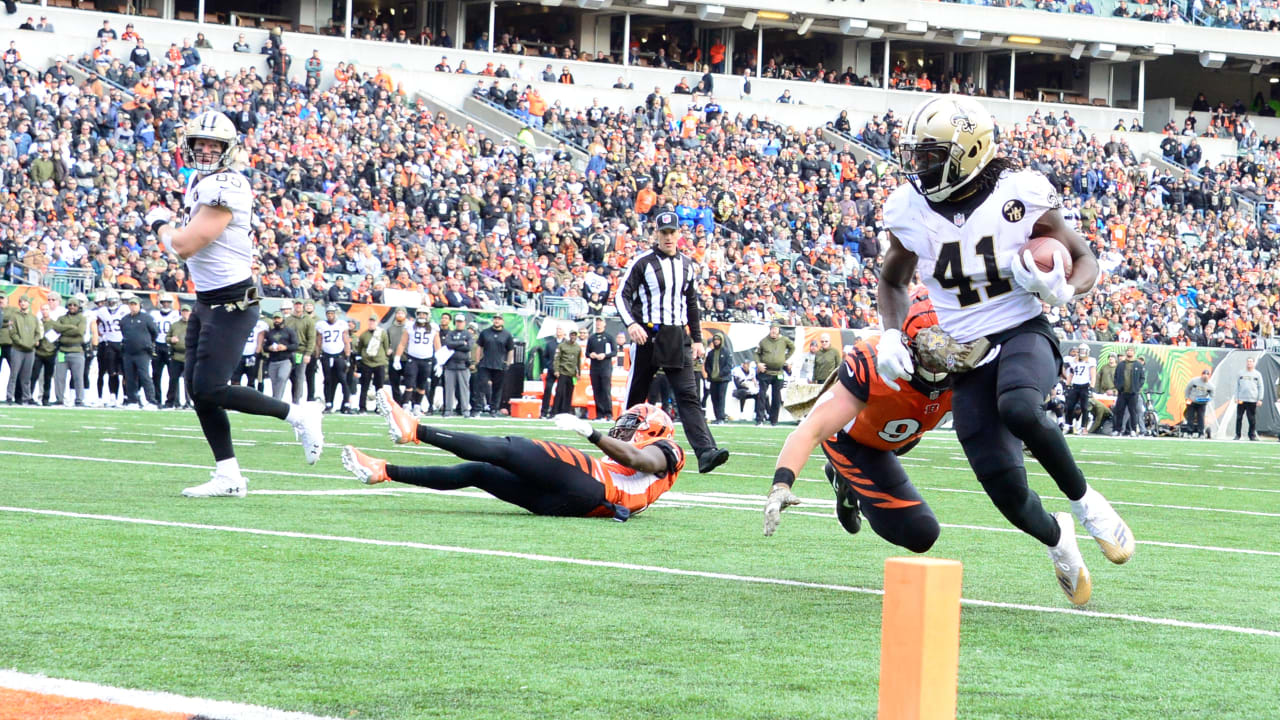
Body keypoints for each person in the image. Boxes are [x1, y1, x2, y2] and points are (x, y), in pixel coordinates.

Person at [878, 95, 1132, 605]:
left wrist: (1065, 289)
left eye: (931, 155)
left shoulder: (1019, 194)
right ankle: (1060, 539)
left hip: (1022, 331)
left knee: (1018, 406)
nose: (920, 165)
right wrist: (889, 331)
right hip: (964, 355)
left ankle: (1089, 505)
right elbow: (892, 280)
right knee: (1006, 492)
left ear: (968, 152)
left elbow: (1084, 260)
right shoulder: (910, 209)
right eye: (918, 154)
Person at [146, 110, 323, 498]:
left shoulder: (227, 184)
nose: (206, 150)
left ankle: (298, 413)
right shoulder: (201, 181)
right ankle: (228, 475)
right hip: (207, 301)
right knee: (198, 391)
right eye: (200, 143)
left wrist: (159, 222)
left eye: (214, 145)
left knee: (211, 388)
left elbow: (184, 245)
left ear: (228, 149)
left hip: (232, 302)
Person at [764, 298, 950, 553]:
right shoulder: (873, 363)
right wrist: (781, 485)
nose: (943, 355)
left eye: (952, 341)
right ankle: (846, 479)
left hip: (896, 435)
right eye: (931, 347)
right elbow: (811, 430)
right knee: (920, 531)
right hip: (852, 441)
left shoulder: (973, 362)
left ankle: (847, 479)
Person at [341, 390, 684, 522]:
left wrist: (591, 433)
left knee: (508, 448)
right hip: (577, 503)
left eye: (632, 425)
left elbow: (639, 461)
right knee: (480, 472)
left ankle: (414, 430)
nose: (622, 430)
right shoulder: (639, 453)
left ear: (654, 430)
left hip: (594, 483)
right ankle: (383, 470)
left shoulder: (670, 450)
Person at [615, 211, 729, 473]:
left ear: (679, 234)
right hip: (648, 336)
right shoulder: (642, 262)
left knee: (689, 395)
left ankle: (706, 452)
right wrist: (632, 324)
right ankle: (617, 445)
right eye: (663, 232)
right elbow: (621, 296)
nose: (668, 237)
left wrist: (698, 339)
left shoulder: (687, 265)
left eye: (672, 232)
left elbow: (691, 304)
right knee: (636, 397)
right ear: (657, 234)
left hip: (678, 337)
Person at [394, 306, 439, 414]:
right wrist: (397, 358)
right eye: (420, 314)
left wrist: (440, 363)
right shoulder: (410, 326)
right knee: (409, 383)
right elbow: (402, 343)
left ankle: (417, 406)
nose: (422, 316)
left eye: (424, 314)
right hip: (412, 358)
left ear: (428, 316)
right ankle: (405, 405)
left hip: (427, 359)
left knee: (422, 385)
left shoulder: (433, 328)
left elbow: (437, 346)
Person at [119, 293, 159, 408]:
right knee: (130, 378)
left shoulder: (146, 318)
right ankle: (133, 400)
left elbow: (154, 332)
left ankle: (151, 401)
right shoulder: (125, 319)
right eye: (130, 304)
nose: (132, 306)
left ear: (139, 305)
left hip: (143, 353)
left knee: (145, 377)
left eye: (134, 304)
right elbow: (123, 331)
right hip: (128, 352)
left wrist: (146, 343)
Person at [51, 294, 89, 407]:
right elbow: (56, 327)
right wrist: (71, 327)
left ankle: (79, 399)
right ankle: (59, 398)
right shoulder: (62, 318)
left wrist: (64, 331)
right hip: (62, 351)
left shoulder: (82, 318)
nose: (72, 307)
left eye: (74, 305)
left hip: (77, 351)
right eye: (70, 305)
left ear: (78, 306)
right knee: (59, 377)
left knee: (78, 377)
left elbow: (79, 332)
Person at [475, 315, 515, 417]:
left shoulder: (507, 335)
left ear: (503, 322)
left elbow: (510, 349)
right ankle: (478, 408)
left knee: (497, 388)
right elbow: (479, 346)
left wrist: (508, 363)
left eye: (499, 319)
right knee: (481, 386)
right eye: (495, 319)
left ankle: (494, 409)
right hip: (485, 364)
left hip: (499, 365)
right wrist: (477, 361)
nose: (496, 321)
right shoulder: (485, 332)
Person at [315, 305, 351, 413]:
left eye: (332, 313)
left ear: (336, 314)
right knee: (327, 380)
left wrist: (347, 356)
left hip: (339, 356)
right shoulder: (321, 325)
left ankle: (346, 404)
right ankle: (329, 403)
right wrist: (317, 356)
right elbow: (318, 342)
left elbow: (346, 341)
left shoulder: (342, 324)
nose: (330, 315)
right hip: (326, 355)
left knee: (343, 379)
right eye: (328, 313)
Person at [754, 324, 793, 426]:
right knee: (762, 395)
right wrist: (758, 363)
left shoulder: (784, 340)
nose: (774, 332)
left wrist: (785, 358)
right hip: (765, 371)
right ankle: (760, 419)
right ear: (770, 330)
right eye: (772, 330)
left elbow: (793, 347)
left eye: (776, 330)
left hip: (778, 372)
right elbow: (756, 353)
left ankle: (774, 420)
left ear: (779, 331)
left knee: (776, 397)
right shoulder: (763, 341)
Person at [4, 295, 39, 405]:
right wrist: (22, 343)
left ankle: (26, 397)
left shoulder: (34, 317)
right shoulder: (14, 317)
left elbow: (38, 333)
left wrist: (32, 343)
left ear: (29, 303)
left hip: (30, 350)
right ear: (19, 303)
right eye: (21, 301)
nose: (23, 303)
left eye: (25, 301)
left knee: (27, 376)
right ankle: (9, 396)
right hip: (18, 349)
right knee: (14, 374)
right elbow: (12, 332)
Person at [150, 293, 182, 407]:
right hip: (157, 345)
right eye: (164, 302)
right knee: (156, 374)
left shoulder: (176, 315)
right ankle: (157, 399)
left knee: (173, 376)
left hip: (170, 347)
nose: (166, 304)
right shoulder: (154, 314)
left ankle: (174, 400)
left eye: (168, 302)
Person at [283, 299, 316, 405]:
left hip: (300, 352)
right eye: (296, 304)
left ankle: (296, 400)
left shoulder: (308, 320)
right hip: (288, 352)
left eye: (300, 304)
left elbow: (311, 338)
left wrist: (308, 353)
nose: (298, 306)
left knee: (299, 377)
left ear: (303, 306)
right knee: (284, 376)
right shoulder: (288, 320)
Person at [354, 318, 390, 413]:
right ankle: (362, 407)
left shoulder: (382, 333)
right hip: (367, 363)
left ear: (376, 323)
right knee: (364, 386)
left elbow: (386, 347)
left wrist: (385, 359)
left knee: (379, 388)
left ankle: (379, 407)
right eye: (370, 322)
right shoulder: (364, 335)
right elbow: (360, 349)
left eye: (373, 322)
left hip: (379, 363)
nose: (371, 323)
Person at [263, 311, 299, 401]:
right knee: (274, 381)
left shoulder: (289, 331)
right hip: (273, 360)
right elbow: (264, 346)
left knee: (282, 378)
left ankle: (276, 400)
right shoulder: (270, 332)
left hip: (285, 360)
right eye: (275, 318)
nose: (277, 320)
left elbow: (295, 345)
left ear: (283, 319)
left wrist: (285, 347)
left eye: (278, 318)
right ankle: (276, 400)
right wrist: (269, 348)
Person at [442, 313, 473, 417]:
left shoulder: (468, 334)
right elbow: (448, 344)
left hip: (463, 365)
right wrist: (461, 343)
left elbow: (468, 347)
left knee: (464, 389)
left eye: (461, 322)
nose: (459, 324)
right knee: (449, 389)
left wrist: (455, 345)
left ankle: (465, 410)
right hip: (450, 365)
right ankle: (448, 410)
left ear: (464, 323)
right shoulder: (451, 333)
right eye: (457, 322)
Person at [585, 316, 616, 420]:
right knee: (596, 390)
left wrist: (605, 355)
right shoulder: (592, 338)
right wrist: (591, 354)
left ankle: (609, 413)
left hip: (605, 367)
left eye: (600, 321)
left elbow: (614, 352)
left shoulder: (609, 337)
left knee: (606, 390)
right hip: (594, 367)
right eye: (597, 322)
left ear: (604, 324)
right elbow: (587, 353)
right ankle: (600, 414)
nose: (598, 324)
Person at [1062, 343, 1095, 434]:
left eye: (1084, 350)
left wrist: (1091, 387)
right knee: (1069, 406)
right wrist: (1067, 385)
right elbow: (1071, 374)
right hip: (1075, 385)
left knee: (1084, 408)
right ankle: (1068, 425)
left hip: (1085, 386)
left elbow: (1093, 375)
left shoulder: (1091, 361)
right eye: (1081, 350)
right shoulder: (1073, 360)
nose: (1083, 352)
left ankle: (1083, 427)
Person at [702, 334, 732, 424]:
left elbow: (728, 365)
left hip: (723, 379)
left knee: (721, 397)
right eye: (715, 340)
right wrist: (710, 374)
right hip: (713, 379)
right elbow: (707, 365)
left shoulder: (726, 352)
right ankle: (717, 416)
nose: (716, 341)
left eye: (718, 340)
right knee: (714, 398)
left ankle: (721, 417)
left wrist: (720, 373)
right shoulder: (711, 353)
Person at [1113, 348, 1143, 436]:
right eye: (1128, 350)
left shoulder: (1138, 364)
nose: (1129, 352)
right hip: (1122, 392)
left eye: (1131, 350)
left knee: (1133, 412)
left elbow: (1142, 378)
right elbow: (1116, 377)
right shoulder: (1121, 364)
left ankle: (1133, 430)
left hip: (1133, 393)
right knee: (1120, 411)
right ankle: (1118, 430)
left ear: (1134, 352)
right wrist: (1118, 386)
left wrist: (1137, 388)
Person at [538, 325, 566, 419]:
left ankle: (555, 412)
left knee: (560, 391)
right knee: (547, 390)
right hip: (551, 370)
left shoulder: (568, 344)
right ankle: (544, 411)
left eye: (560, 329)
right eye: (557, 329)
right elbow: (545, 356)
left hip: (563, 371)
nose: (558, 331)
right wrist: (550, 366)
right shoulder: (550, 344)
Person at [553, 329, 582, 415]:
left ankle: (566, 412)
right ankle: (555, 411)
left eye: (575, 335)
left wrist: (579, 373)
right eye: (572, 335)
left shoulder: (578, 347)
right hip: (563, 372)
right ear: (569, 336)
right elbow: (557, 358)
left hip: (572, 373)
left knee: (569, 393)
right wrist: (556, 370)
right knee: (559, 392)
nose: (573, 337)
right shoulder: (562, 345)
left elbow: (578, 361)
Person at [167, 305, 191, 408]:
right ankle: (172, 401)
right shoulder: (175, 325)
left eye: (187, 311)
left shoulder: (195, 325)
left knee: (188, 381)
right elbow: (167, 337)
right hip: (176, 356)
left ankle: (189, 402)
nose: (185, 313)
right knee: (173, 380)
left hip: (189, 357)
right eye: (183, 311)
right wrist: (170, 340)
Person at [1234, 357, 1263, 441]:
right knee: (1239, 417)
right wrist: (1236, 397)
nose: (1249, 363)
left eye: (1251, 362)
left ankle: (1251, 435)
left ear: (1254, 363)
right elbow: (1237, 386)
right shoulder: (1241, 373)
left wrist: (1260, 399)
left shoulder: (1257, 374)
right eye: (1248, 361)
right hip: (1241, 399)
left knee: (1251, 419)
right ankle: (1237, 435)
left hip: (1252, 400)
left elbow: (1261, 387)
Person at [1184, 368, 1213, 438]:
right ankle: (1189, 433)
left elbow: (1212, 396)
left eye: (1207, 375)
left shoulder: (1211, 386)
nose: (1205, 376)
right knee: (1190, 417)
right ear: (1201, 375)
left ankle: (1201, 433)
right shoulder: (1194, 381)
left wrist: (1206, 400)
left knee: (1201, 418)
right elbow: (1187, 389)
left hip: (1202, 403)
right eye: (1204, 374)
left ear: (1209, 376)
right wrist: (1187, 398)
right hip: (1192, 401)